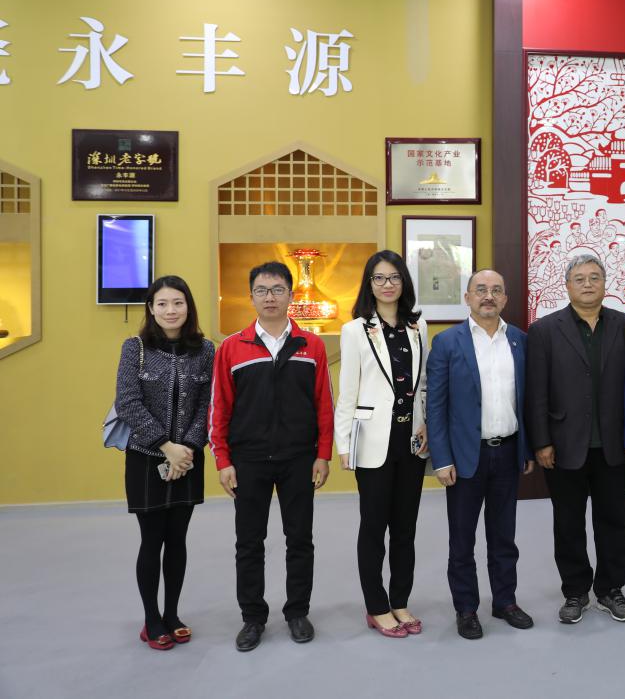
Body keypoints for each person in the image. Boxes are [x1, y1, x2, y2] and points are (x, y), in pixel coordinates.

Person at [209, 261, 334, 652]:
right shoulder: (232, 347)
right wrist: (223, 460)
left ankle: (297, 612)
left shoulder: (311, 345)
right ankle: (253, 618)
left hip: (300, 458)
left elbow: (324, 404)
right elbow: (219, 409)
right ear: (251, 297)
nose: (270, 297)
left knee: (300, 539)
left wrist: (323, 454)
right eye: (262, 290)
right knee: (249, 542)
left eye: (278, 290)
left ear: (291, 296)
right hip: (248, 459)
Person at [525, 254, 625, 624]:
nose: (587, 284)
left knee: (613, 522)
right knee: (568, 523)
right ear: (567, 285)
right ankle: (575, 592)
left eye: (594, 277)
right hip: (563, 446)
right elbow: (536, 392)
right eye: (579, 278)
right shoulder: (544, 330)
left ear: (605, 283)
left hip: (613, 445)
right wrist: (541, 442)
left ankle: (610, 589)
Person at [426, 269, 536, 640]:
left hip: (507, 452)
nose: (488, 296)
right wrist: (442, 458)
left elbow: (527, 400)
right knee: (462, 540)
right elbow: (436, 406)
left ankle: (505, 601)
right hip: (463, 458)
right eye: (481, 290)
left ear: (505, 299)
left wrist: (527, 449)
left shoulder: (519, 340)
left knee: (504, 536)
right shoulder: (447, 342)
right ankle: (466, 608)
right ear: (467, 297)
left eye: (496, 290)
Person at [114, 276, 215, 650]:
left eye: (178, 303)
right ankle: (151, 619)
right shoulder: (135, 348)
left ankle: (172, 614)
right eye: (162, 304)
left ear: (188, 307)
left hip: (188, 459)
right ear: (151, 309)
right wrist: (165, 446)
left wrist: (186, 449)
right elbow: (127, 402)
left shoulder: (205, 350)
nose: (170, 310)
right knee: (151, 539)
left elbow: (208, 404)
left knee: (177, 540)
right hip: (145, 458)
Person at [334, 250, 430, 639]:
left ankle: (400, 600)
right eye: (379, 278)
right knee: (374, 527)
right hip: (373, 440)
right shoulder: (355, 330)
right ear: (369, 284)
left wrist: (426, 425)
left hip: (412, 442)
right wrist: (344, 445)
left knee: (406, 528)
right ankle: (377, 606)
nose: (387, 285)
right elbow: (348, 392)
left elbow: (422, 385)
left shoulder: (418, 326)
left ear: (404, 282)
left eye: (394, 277)